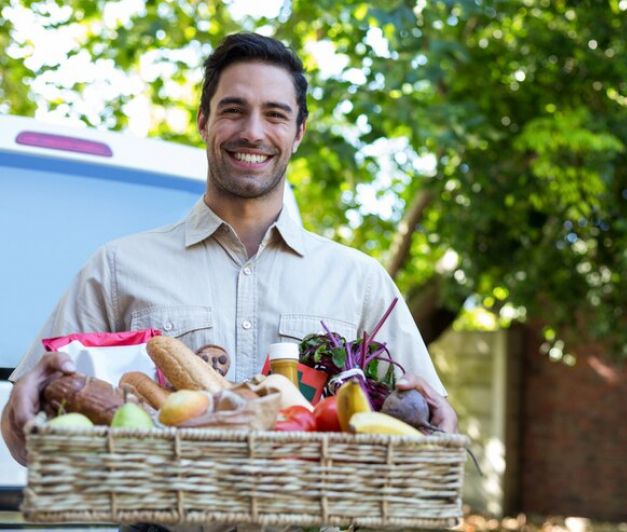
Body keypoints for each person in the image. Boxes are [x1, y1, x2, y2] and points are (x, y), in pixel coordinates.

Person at [2, 32, 457, 469]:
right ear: (203, 121)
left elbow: (432, 434)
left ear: (298, 132)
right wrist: (24, 410)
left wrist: (437, 421)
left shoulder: (360, 281)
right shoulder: (118, 267)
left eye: (275, 115)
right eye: (233, 110)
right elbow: (25, 432)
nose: (253, 132)